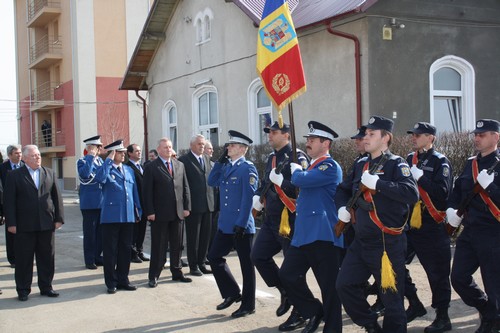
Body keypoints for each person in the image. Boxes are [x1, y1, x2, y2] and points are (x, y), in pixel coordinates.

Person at [336, 116, 419, 333]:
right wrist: (342, 208)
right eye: (366, 134)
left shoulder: (396, 164)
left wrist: (380, 184)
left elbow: (411, 193)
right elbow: (343, 189)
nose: (366, 137)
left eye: (372, 134)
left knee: (392, 300)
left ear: (385, 138)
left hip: (387, 243)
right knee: (344, 285)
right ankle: (371, 325)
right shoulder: (360, 163)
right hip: (361, 242)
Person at [279, 121, 344, 333]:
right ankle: (314, 310)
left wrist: (296, 171)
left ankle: (332, 330)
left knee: (329, 288)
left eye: (312, 140)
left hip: (324, 235)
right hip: (304, 235)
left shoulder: (329, 166)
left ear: (325, 143)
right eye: (307, 140)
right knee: (287, 275)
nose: (308, 143)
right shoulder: (313, 166)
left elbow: (302, 180)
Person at [250, 121, 309, 331]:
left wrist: (282, 183)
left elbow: (302, 188)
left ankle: (300, 311)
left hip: (289, 221)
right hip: (271, 219)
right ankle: (285, 291)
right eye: (268, 132)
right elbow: (265, 183)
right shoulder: (272, 157)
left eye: (274, 132)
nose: (269, 135)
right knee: (258, 255)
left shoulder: (297, 157)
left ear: (286, 134)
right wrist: (257, 196)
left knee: (292, 270)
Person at [447, 119, 500, 333]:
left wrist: (492, 188)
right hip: (469, 231)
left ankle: (492, 322)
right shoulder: (471, 163)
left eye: (483, 134)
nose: (477, 138)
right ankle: (488, 311)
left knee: (494, 284)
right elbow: (458, 191)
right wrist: (451, 210)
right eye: (476, 134)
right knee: (458, 277)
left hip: (493, 232)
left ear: (496, 137)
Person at [404, 122, 453, 333]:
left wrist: (421, 178)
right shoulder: (409, 159)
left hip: (431, 226)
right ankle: (414, 303)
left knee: (437, 274)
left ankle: (443, 317)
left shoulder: (440, 161)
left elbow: (443, 194)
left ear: (431, 138)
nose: (414, 138)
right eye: (413, 135)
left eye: (419, 135)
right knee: (393, 263)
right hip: (409, 225)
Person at [207, 130, 258, 318]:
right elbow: (211, 181)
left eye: (233, 145)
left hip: (241, 226)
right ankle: (231, 293)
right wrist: (219, 162)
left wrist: (242, 223)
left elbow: (248, 198)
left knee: (246, 266)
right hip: (225, 224)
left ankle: (248, 305)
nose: (228, 147)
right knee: (213, 257)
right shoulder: (227, 167)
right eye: (229, 145)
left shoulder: (247, 168)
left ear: (243, 149)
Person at [4, 145, 64, 301]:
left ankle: (46, 287)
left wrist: (59, 218)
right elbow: (9, 202)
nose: (37, 157)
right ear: (24, 158)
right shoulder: (14, 175)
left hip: (46, 224)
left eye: (38, 155)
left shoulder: (49, 173)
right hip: (24, 225)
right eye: (33, 155)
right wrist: (11, 223)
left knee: (46, 257)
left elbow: (57, 198)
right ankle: (23, 289)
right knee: (24, 259)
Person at [94, 140, 142, 294]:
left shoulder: (128, 170)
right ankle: (111, 282)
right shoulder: (106, 169)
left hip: (127, 216)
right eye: (120, 152)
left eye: (123, 152)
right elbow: (100, 179)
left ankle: (123, 279)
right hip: (111, 217)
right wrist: (108, 161)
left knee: (125, 250)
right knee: (110, 251)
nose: (123, 155)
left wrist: (138, 210)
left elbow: (134, 192)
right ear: (113, 153)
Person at [143, 138, 192, 288]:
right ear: (158, 149)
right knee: (159, 246)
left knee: (177, 245)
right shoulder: (152, 167)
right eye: (165, 147)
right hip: (159, 214)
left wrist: (187, 207)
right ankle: (154, 275)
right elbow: (147, 192)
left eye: (170, 147)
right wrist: (150, 211)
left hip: (177, 212)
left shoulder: (179, 165)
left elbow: (185, 188)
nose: (168, 150)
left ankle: (177, 272)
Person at [178, 135, 214, 276]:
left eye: (203, 144)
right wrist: (186, 205)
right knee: (194, 237)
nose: (202, 147)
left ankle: (202, 262)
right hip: (193, 205)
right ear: (192, 145)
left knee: (205, 236)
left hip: (208, 204)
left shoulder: (206, 158)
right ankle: (193, 266)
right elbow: (182, 185)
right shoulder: (184, 160)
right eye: (199, 144)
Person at [77, 135, 104, 270]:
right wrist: (90, 157)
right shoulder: (82, 161)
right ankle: (89, 259)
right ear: (90, 148)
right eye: (97, 147)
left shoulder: (100, 161)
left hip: (101, 203)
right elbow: (85, 175)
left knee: (100, 233)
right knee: (90, 234)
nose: (99, 149)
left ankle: (98, 256)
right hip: (89, 204)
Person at [0, 144, 24, 268]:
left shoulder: (25, 166)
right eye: (16, 153)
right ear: (9, 155)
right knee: (11, 234)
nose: (19, 155)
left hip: (24, 206)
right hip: (9, 206)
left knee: (25, 234)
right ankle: (13, 259)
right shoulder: (2, 168)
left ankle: (24, 257)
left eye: (20, 153)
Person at [126, 143, 150, 263]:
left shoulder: (142, 166)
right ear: (129, 153)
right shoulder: (127, 167)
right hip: (135, 204)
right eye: (136, 151)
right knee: (134, 230)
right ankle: (132, 252)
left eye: (140, 151)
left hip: (144, 203)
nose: (139, 153)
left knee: (142, 229)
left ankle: (140, 251)